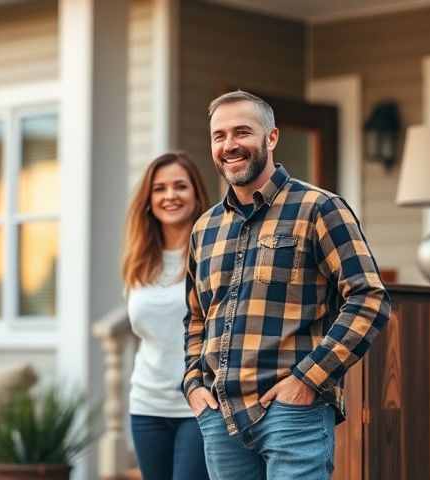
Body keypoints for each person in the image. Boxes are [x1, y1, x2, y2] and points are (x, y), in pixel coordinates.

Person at [183, 90, 391, 480]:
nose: (229, 145)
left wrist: (307, 380)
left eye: (242, 132)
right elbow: (197, 317)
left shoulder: (320, 208)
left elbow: (369, 299)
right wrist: (195, 385)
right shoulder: (205, 228)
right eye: (219, 136)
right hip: (220, 417)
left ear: (271, 138)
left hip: (293, 414)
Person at [123, 152, 211, 480]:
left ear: (196, 194)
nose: (170, 196)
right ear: (148, 200)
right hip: (146, 404)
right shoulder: (138, 261)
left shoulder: (214, 254)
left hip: (199, 404)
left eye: (180, 186)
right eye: (159, 189)